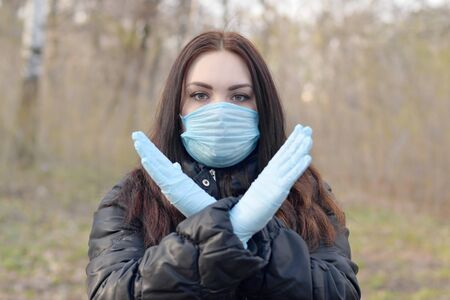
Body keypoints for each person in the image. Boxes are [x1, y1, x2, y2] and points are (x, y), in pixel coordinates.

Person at [85, 30, 361, 299]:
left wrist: (256, 237)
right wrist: (221, 230)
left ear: (262, 108)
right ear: (177, 107)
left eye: (240, 96)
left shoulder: (306, 194)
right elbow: (112, 291)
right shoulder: (132, 197)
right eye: (200, 95)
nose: (219, 111)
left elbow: (340, 290)